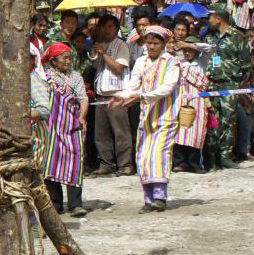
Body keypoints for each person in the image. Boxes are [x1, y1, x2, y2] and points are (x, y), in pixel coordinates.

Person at [112, 26, 180, 212]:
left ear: (163, 44)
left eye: (155, 43)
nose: (151, 46)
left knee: (159, 154)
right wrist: (121, 96)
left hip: (165, 116)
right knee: (143, 156)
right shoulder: (141, 61)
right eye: (149, 42)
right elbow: (133, 84)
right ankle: (148, 198)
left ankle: (160, 196)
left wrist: (141, 96)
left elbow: (167, 88)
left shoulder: (171, 62)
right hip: (146, 117)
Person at [31, 43, 88, 217]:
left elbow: (83, 98)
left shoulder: (75, 76)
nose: (68, 61)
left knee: (75, 160)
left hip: (72, 123)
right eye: (64, 58)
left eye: (69, 58)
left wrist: (82, 117)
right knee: (51, 160)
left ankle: (75, 204)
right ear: (53, 61)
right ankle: (55, 202)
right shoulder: (44, 77)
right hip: (52, 125)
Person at [201, 5, 249, 169]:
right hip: (212, 84)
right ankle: (211, 158)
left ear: (218, 18)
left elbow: (245, 64)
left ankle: (225, 156)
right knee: (212, 121)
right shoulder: (209, 36)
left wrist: (237, 82)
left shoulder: (237, 36)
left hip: (230, 84)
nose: (208, 20)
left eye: (210, 17)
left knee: (228, 121)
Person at [90, 14, 134, 177]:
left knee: (120, 131)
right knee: (101, 134)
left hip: (117, 94)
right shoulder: (100, 44)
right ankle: (106, 163)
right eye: (104, 26)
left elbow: (118, 68)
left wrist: (104, 54)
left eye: (110, 26)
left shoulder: (121, 45)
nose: (107, 30)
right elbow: (95, 66)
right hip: (101, 94)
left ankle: (125, 164)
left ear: (116, 29)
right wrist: (96, 52)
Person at [171, 37, 210, 172]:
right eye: (185, 50)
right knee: (180, 132)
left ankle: (195, 164)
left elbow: (209, 48)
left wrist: (188, 44)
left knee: (196, 132)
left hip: (197, 102)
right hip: (181, 100)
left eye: (190, 50)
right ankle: (180, 162)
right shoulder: (178, 61)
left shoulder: (201, 61)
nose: (187, 53)